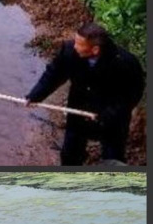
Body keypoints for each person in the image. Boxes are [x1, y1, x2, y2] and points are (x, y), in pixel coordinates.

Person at [25, 22, 145, 165]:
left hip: (112, 118)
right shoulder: (69, 51)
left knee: (113, 157)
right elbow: (53, 75)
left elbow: (132, 95)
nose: (74, 46)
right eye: (75, 42)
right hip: (79, 110)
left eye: (79, 44)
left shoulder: (126, 63)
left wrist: (109, 114)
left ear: (95, 49)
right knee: (69, 155)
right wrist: (35, 96)